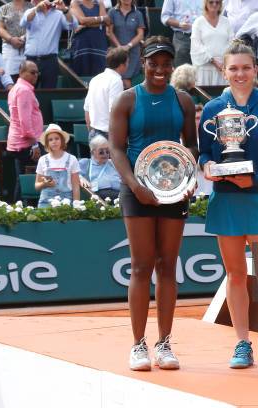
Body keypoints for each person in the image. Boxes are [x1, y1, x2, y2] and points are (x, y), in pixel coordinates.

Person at [109, 36, 197, 371]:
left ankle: (164, 343)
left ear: (172, 65)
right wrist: (135, 185)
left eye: (165, 63)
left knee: (168, 266)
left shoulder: (183, 100)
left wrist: (187, 181)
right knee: (142, 265)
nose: (160, 69)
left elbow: (191, 147)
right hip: (137, 192)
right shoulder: (126, 100)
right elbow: (117, 148)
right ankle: (137, 345)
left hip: (173, 193)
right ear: (142, 63)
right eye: (153, 63)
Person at [200, 40, 258, 371]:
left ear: (256, 70)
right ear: (224, 71)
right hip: (226, 200)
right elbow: (205, 152)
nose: (239, 73)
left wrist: (257, 178)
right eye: (233, 68)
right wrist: (207, 166)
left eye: (245, 67)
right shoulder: (212, 109)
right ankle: (242, 343)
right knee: (236, 275)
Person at [7, 60, 44, 202]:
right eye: (32, 72)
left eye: (37, 73)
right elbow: (25, 121)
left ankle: (18, 208)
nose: (36, 75)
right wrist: (34, 144)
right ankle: (20, 209)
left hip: (20, 142)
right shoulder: (24, 90)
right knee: (27, 179)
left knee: (22, 178)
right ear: (22, 73)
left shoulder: (17, 88)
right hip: (26, 143)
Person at [20, 0, 78, 88]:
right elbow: (23, 23)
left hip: (49, 60)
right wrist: (36, 9)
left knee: (49, 91)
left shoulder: (58, 14)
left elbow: (73, 25)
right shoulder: (30, 11)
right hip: (31, 60)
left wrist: (65, 10)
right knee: (27, 90)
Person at [84, 47, 128, 140]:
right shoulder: (116, 81)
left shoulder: (95, 79)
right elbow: (114, 110)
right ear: (122, 65)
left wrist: (91, 131)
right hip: (109, 135)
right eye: (127, 62)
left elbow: (87, 109)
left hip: (94, 133)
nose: (128, 65)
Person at [190, 0, 233, 86]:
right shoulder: (198, 22)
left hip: (223, 68)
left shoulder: (226, 21)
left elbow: (231, 42)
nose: (214, 4)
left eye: (217, 2)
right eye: (211, 2)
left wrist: (225, 62)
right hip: (204, 69)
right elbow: (196, 45)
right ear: (206, 4)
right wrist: (213, 61)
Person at [35, 124, 80, 207]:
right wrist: (45, 184)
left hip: (66, 201)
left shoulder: (72, 159)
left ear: (62, 140)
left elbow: (75, 185)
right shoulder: (42, 160)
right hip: (46, 201)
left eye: (57, 138)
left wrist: (76, 203)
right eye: (50, 140)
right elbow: (37, 185)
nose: (54, 141)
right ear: (47, 143)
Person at [107, 0, 145, 89]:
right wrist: (119, 47)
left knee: (127, 82)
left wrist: (129, 46)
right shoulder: (112, 12)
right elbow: (109, 32)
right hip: (116, 54)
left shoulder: (138, 14)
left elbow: (140, 35)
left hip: (133, 54)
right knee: (118, 81)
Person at [70, 0, 109, 77]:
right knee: (82, 79)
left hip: (99, 45)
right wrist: (100, 20)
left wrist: (85, 24)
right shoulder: (75, 2)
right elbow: (82, 20)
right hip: (81, 46)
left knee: (100, 77)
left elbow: (106, 20)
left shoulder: (100, 3)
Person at [0, 0, 33, 82]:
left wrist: (25, 38)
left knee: (28, 78)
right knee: (9, 79)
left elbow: (37, 26)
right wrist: (11, 39)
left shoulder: (32, 7)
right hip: (9, 48)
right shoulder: (4, 8)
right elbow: (0, 28)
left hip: (28, 47)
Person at [161, 0, 203, 66]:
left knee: (202, 70)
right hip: (182, 38)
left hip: (202, 38)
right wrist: (179, 24)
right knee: (182, 71)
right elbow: (165, 17)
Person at [79, 135, 122, 200]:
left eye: (107, 151)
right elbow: (73, 174)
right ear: (93, 152)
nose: (105, 154)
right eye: (101, 152)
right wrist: (80, 177)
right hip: (98, 197)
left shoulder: (113, 163)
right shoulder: (85, 163)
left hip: (118, 195)